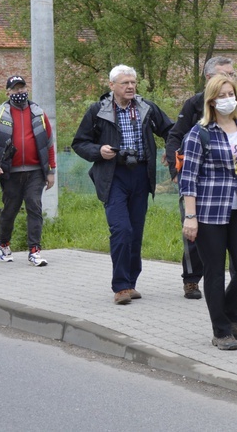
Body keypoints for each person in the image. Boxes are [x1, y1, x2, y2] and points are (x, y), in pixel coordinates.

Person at [165, 56, 237, 306]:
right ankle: (191, 278)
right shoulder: (193, 105)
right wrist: (176, 172)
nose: (231, 79)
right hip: (204, 191)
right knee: (196, 240)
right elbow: (175, 138)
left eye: (233, 75)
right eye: (225, 74)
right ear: (209, 78)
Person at [179, 74, 237, 350]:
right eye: (222, 95)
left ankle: (230, 314)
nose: (228, 100)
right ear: (211, 101)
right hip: (209, 212)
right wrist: (190, 217)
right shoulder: (199, 133)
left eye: (231, 94)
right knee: (215, 272)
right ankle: (221, 330)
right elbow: (188, 178)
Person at [72, 65, 173, 305]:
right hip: (113, 175)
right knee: (121, 229)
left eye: (133, 82)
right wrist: (99, 150)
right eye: (125, 83)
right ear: (112, 86)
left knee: (135, 233)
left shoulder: (146, 108)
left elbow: (171, 130)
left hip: (140, 174)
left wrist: (171, 150)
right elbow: (79, 143)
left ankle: (131, 283)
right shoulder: (98, 111)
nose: (130, 86)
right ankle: (120, 286)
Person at [0, 75, 57, 267]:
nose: (19, 92)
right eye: (15, 89)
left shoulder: (38, 113)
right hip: (10, 172)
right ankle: (4, 242)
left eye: (22, 88)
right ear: (8, 92)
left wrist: (51, 171)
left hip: (35, 172)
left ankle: (35, 250)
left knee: (34, 207)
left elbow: (49, 144)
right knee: (10, 210)